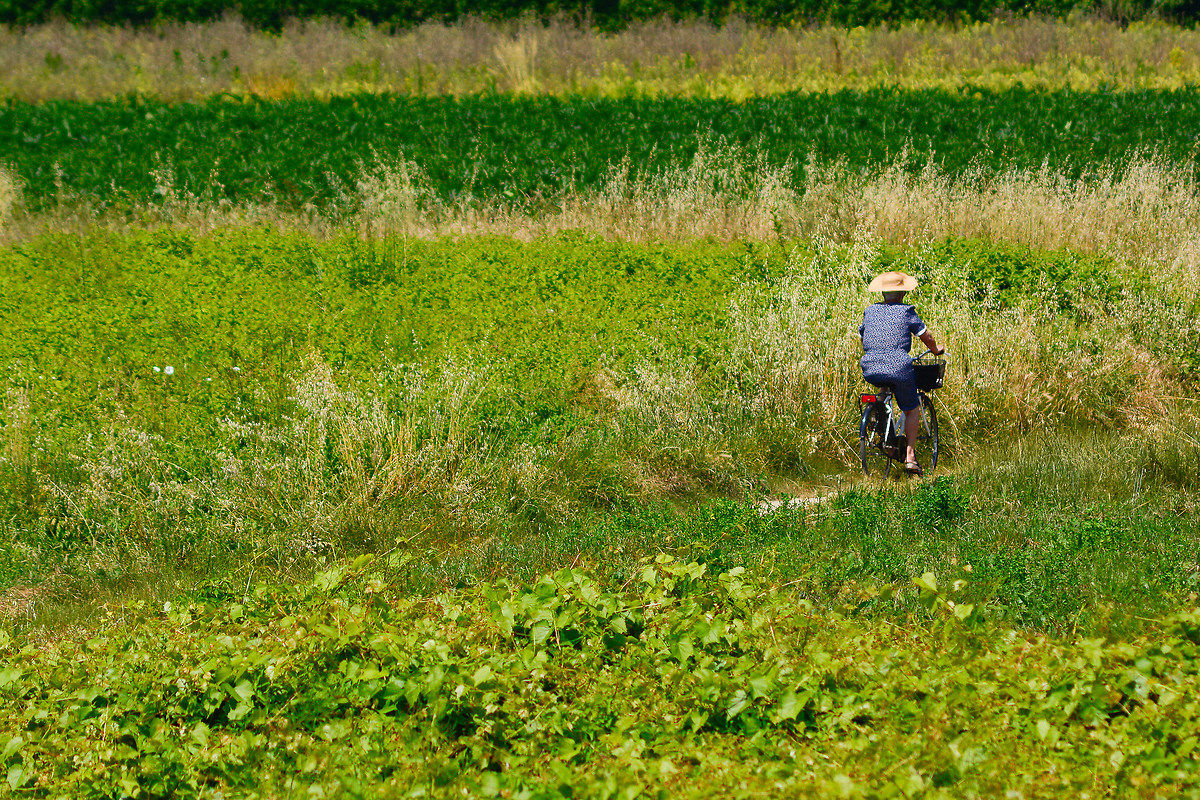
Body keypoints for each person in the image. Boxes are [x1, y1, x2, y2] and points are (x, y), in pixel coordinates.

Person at [857, 271, 944, 476]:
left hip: (870, 365)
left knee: (884, 391)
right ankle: (911, 457)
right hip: (899, 366)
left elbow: (863, 336)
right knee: (911, 409)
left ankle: (883, 429)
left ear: (883, 292)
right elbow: (926, 336)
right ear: (903, 293)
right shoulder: (907, 312)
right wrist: (935, 350)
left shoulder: (870, 311)